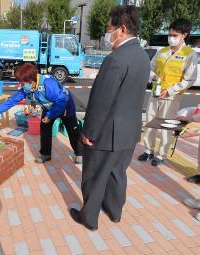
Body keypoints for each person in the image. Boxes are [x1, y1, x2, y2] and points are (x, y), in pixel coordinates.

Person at [69, 6, 150, 230]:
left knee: (94, 175)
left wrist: (88, 132)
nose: (108, 33)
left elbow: (102, 101)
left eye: (110, 28)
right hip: (129, 131)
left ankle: (89, 218)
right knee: (117, 173)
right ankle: (114, 212)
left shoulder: (116, 58)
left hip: (107, 133)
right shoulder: (143, 56)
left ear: (122, 29)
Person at [0, 63, 83, 164]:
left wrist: (50, 115)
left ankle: (79, 153)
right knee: (45, 129)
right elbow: (12, 100)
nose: (22, 85)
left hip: (65, 106)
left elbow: (61, 100)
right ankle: (45, 154)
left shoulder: (48, 83)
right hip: (49, 107)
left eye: (23, 82)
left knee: (73, 130)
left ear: (31, 80)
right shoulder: (28, 88)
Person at [138, 18, 197, 166]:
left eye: (175, 35)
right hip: (155, 93)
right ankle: (148, 151)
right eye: (170, 34)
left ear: (184, 35)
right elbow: (150, 68)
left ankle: (161, 155)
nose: (171, 37)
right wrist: (152, 76)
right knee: (150, 123)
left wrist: (170, 90)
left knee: (166, 127)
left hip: (171, 98)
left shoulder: (189, 54)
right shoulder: (162, 51)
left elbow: (189, 80)